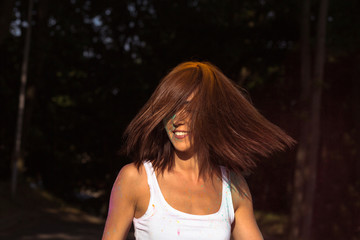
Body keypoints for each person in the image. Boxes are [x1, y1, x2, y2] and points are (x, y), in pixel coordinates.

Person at [102, 61, 295, 240]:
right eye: (170, 109)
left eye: (191, 109)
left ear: (212, 114)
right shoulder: (137, 179)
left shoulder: (232, 187)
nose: (177, 119)